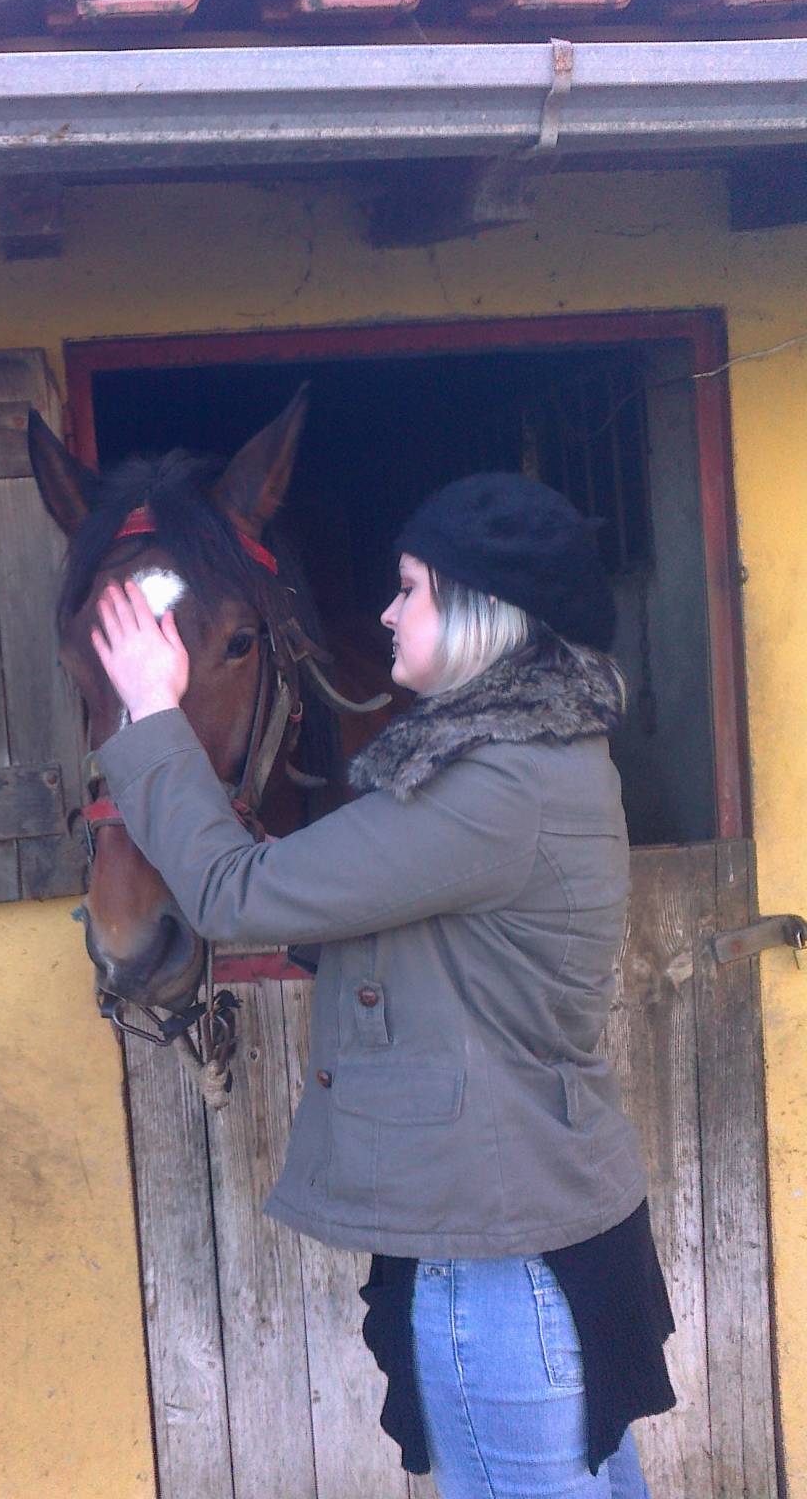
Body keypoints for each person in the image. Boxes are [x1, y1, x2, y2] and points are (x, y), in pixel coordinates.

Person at [90, 472, 676, 1499]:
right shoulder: (535, 762)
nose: (384, 611)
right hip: (543, 1236)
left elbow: (230, 894)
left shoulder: (490, 785)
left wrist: (149, 710)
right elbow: (400, 927)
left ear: (482, 614)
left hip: (499, 1271)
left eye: (409, 588)